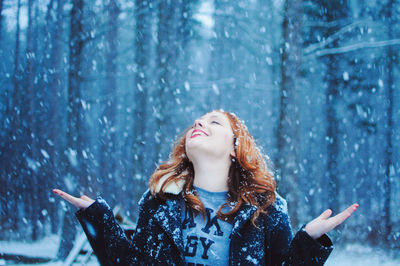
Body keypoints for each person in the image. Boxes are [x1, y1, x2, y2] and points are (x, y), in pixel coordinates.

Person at [53, 109, 359, 265]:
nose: (199, 123)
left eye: (214, 122)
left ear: (235, 147)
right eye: (197, 122)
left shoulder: (266, 207)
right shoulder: (159, 201)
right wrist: (98, 218)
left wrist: (308, 241)